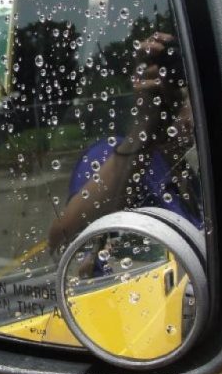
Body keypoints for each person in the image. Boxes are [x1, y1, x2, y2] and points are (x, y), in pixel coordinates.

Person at [48, 32, 204, 252]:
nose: (188, 111)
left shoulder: (192, 174)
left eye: (193, 96)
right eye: (179, 96)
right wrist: (144, 127)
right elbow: (63, 237)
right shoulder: (109, 155)